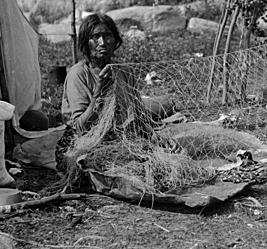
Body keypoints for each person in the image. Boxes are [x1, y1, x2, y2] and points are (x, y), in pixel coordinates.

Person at [56, 13, 177, 171]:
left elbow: (136, 117)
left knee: (164, 160)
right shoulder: (78, 74)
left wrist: (155, 137)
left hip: (118, 136)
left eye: (107, 36)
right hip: (85, 141)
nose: (102, 42)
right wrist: (99, 92)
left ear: (115, 40)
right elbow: (81, 128)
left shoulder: (124, 72)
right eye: (95, 37)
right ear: (86, 43)